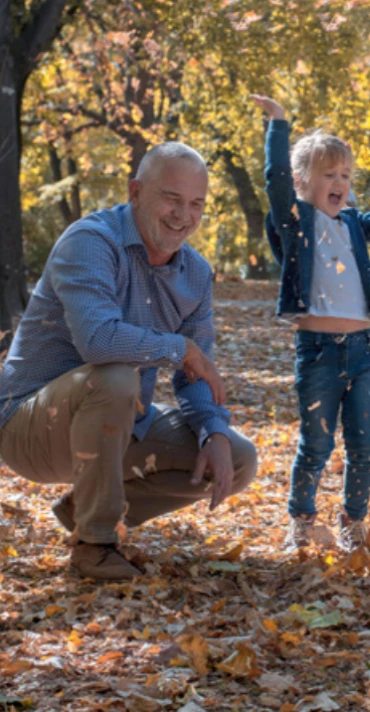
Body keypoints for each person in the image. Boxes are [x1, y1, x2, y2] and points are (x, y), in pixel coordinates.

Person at [0, 142, 258, 579]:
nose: (184, 215)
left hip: (114, 425)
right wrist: (180, 348)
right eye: (171, 198)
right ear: (136, 191)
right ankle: (94, 546)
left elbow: (195, 375)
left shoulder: (195, 273)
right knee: (115, 378)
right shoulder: (91, 242)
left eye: (196, 203)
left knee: (236, 455)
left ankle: (84, 506)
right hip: (29, 425)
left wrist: (213, 427)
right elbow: (99, 342)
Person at [251, 94, 370, 552]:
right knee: (317, 446)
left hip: (363, 351)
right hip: (318, 352)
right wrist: (279, 124)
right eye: (329, 174)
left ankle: (353, 521)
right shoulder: (296, 220)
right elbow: (275, 181)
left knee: (364, 446)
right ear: (304, 181)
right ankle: (302, 522)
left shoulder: (354, 223)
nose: (339, 182)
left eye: (345, 175)